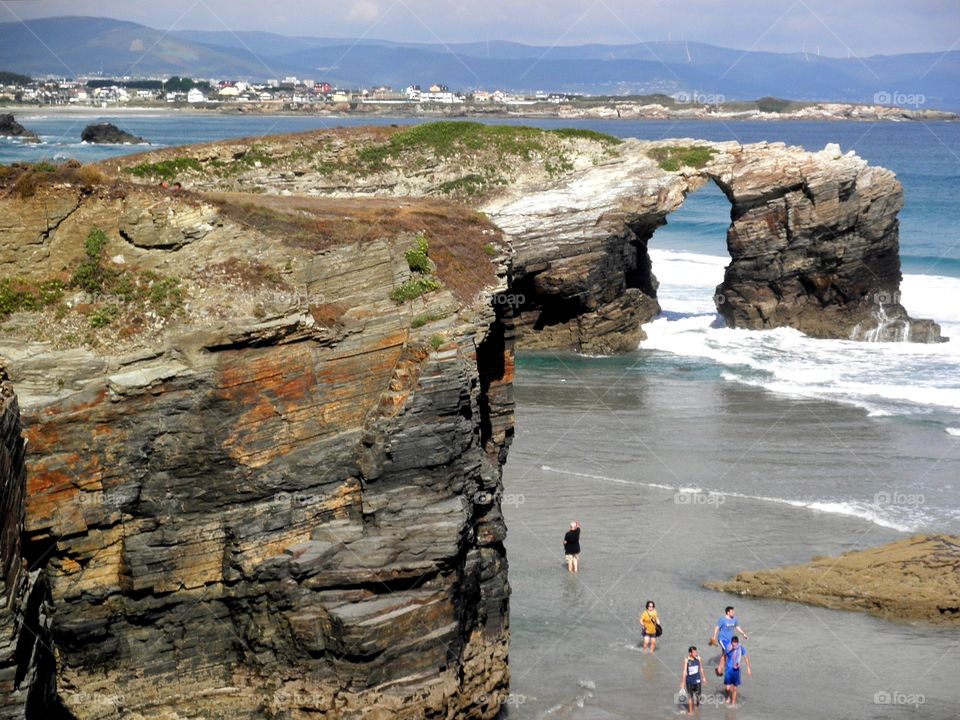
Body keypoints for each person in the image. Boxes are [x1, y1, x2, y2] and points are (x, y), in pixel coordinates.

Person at [710, 606, 748, 675]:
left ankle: (719, 669)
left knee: (724, 653)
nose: (733, 613)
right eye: (732, 612)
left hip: (729, 640)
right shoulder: (722, 619)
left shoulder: (734, 619)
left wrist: (743, 634)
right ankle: (726, 668)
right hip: (722, 639)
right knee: (728, 651)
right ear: (728, 612)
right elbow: (717, 628)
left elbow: (737, 627)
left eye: (733, 611)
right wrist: (714, 637)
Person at [722, 636, 751, 707]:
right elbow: (724, 656)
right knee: (727, 688)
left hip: (736, 670)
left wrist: (748, 668)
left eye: (736, 643)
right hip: (728, 669)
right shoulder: (728, 648)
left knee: (735, 688)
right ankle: (728, 697)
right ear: (731, 642)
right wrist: (722, 665)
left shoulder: (741, 648)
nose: (734, 644)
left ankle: (733, 703)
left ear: (737, 642)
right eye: (733, 643)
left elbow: (746, 658)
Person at [680, 645, 706, 714]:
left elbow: (701, 668)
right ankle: (690, 712)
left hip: (697, 680)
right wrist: (682, 682)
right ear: (690, 653)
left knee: (699, 696)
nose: (695, 654)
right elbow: (684, 671)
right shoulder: (687, 660)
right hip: (689, 681)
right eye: (694, 653)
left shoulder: (698, 658)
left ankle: (697, 705)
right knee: (690, 697)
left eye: (696, 652)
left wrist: (703, 678)